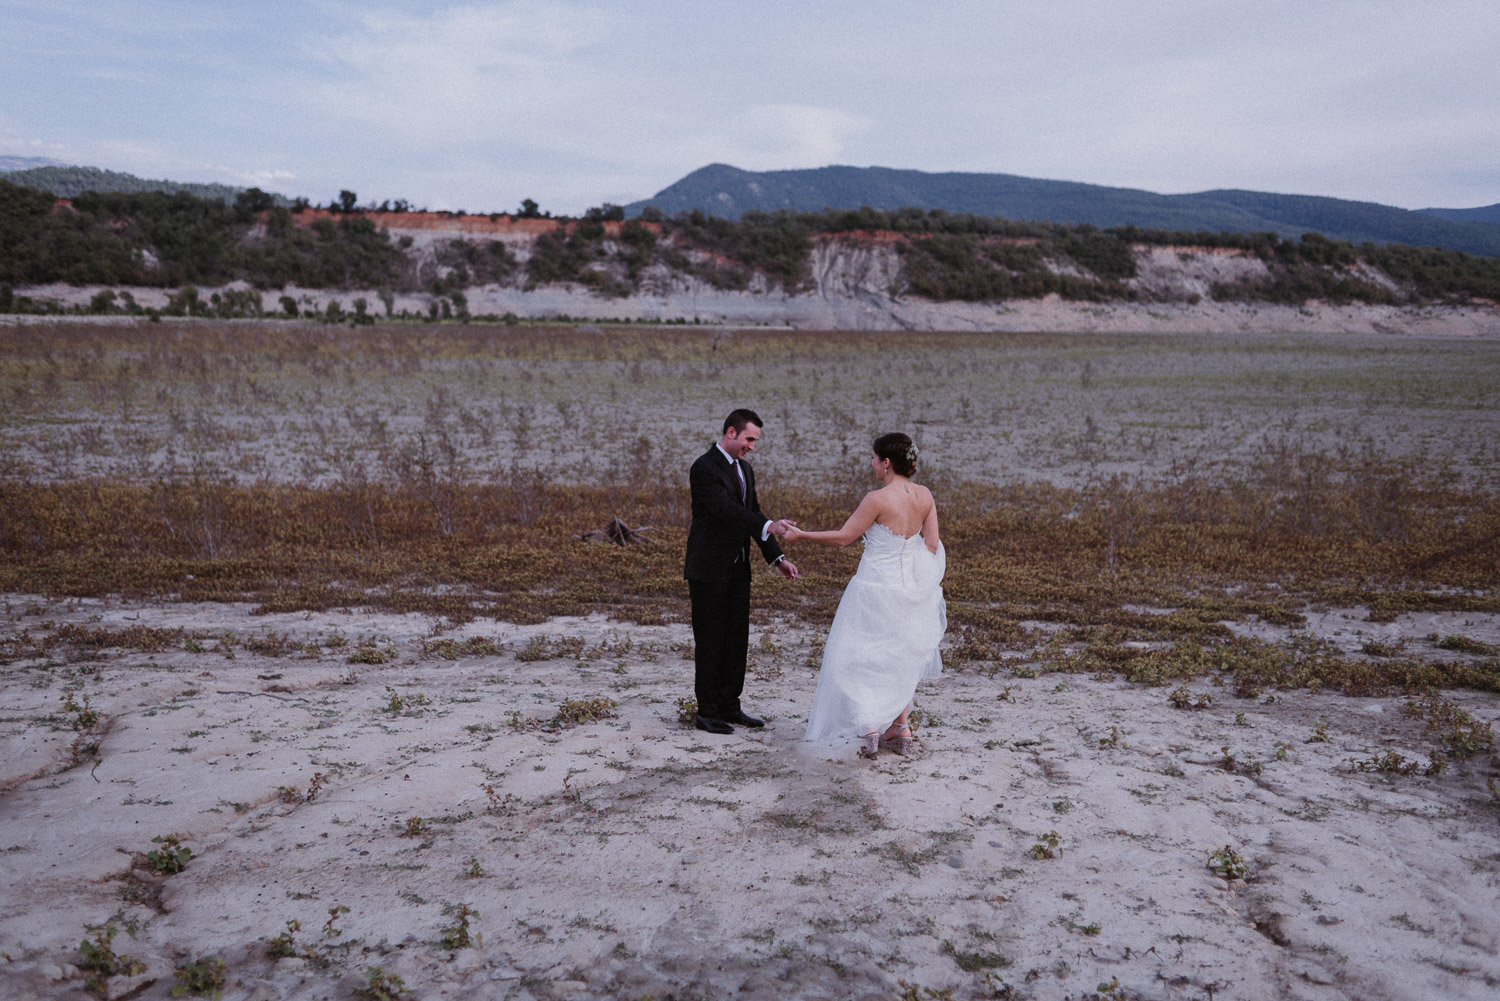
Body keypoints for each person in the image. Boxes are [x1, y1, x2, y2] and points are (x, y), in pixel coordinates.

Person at [782, 432, 946, 759]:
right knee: (896, 656)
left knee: (854, 657)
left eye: (873, 458)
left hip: (872, 587)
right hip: (907, 590)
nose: (871, 464)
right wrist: (914, 583)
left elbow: (844, 538)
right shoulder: (925, 496)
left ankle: (869, 729)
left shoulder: (877, 499)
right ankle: (900, 728)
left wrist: (801, 535)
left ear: (886, 463)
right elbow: (931, 546)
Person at [684, 409, 799, 735]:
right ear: (731, 432)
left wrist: (777, 558)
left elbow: (752, 513)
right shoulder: (703, 468)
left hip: (738, 568)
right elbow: (726, 511)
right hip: (707, 570)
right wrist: (766, 524)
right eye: (749, 439)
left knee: (736, 639)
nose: (752, 446)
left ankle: (730, 706)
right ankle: (707, 712)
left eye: (755, 441)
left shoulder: (745, 470)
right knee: (710, 641)